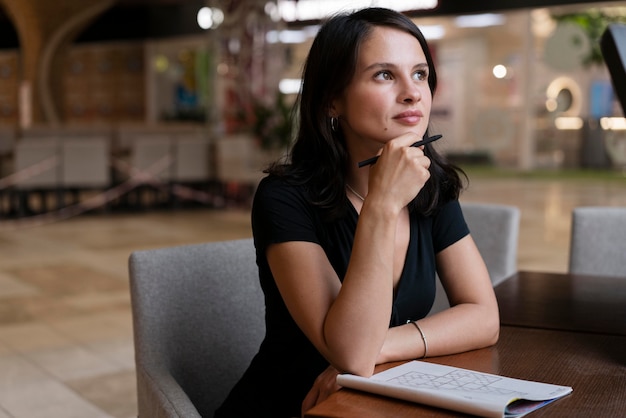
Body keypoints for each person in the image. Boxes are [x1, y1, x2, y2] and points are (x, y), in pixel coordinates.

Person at [215, 7, 499, 418]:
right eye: (385, 74)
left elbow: (484, 316)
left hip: (378, 403)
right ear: (333, 99)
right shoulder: (284, 198)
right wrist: (382, 204)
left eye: (420, 74)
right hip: (294, 406)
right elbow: (351, 352)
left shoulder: (431, 187)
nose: (412, 92)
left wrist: (382, 346)